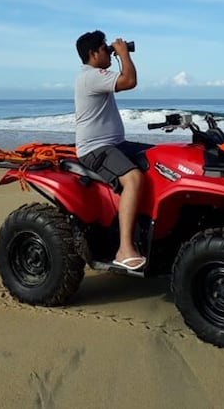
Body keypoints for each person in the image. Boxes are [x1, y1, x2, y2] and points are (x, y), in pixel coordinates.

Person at [74, 30, 150, 271]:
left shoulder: (95, 75)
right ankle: (124, 249)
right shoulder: (90, 76)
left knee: (160, 159)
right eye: (105, 48)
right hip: (95, 149)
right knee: (134, 178)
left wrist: (120, 54)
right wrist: (124, 54)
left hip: (114, 144)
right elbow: (129, 81)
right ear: (93, 54)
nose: (109, 51)